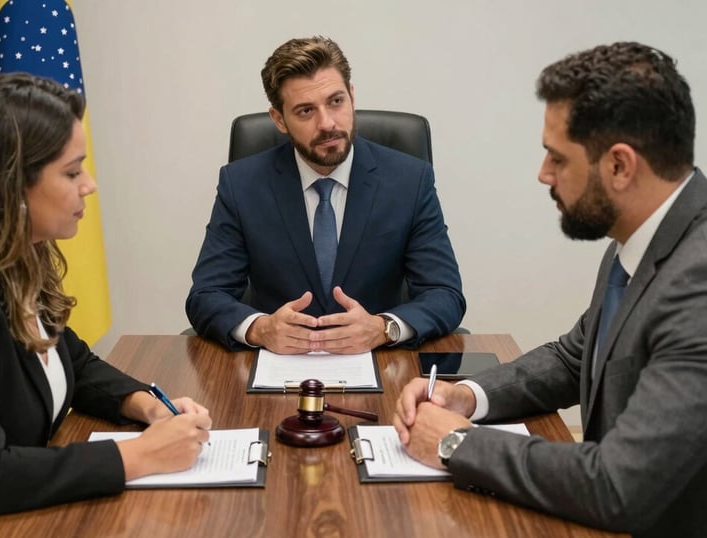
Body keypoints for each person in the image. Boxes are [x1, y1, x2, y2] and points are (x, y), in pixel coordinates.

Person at [393, 42, 707, 538]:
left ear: (620, 167)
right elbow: (573, 358)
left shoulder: (698, 284)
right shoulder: (637, 243)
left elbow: (618, 488)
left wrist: (458, 445)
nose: (543, 174)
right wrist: (466, 397)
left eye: (557, 158)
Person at [0, 74, 212, 538]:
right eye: (71, 172)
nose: (90, 185)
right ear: (10, 185)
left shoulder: (20, 260)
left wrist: (149, 407)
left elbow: (74, 364)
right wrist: (140, 456)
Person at [185, 36, 465, 355]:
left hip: (380, 368)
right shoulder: (241, 184)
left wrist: (383, 328)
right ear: (279, 119)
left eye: (336, 101)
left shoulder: (410, 180)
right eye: (305, 111)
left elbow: (444, 294)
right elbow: (206, 296)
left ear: (352, 96)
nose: (328, 123)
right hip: (277, 370)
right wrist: (261, 329)